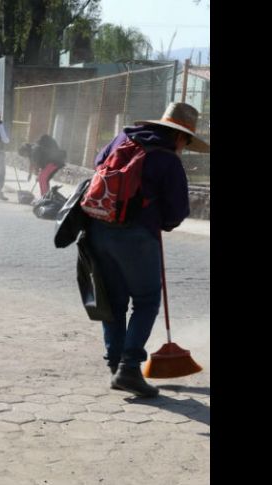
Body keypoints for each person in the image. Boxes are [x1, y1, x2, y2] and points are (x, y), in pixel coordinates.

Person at [88, 102, 209, 397]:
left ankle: (115, 362)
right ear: (179, 136)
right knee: (146, 300)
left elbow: (97, 164)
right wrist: (162, 221)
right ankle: (129, 368)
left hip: (99, 228)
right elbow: (177, 210)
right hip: (138, 236)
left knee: (114, 300)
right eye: (186, 142)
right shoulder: (168, 158)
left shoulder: (122, 138)